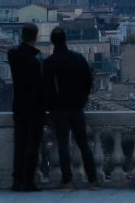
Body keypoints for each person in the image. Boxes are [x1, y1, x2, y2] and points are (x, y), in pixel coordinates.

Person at [42, 28, 99, 189]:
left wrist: (50, 105)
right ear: (66, 39)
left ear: (52, 41)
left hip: (59, 109)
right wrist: (83, 99)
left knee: (62, 144)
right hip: (77, 107)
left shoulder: (49, 62)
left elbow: (46, 88)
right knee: (83, 144)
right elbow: (89, 82)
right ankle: (93, 180)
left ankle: (67, 181)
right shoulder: (79, 59)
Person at [8, 24, 47, 192]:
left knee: (20, 144)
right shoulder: (34, 60)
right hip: (35, 107)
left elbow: (13, 51)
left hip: (19, 105)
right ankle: (28, 181)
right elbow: (40, 86)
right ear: (36, 37)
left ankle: (17, 180)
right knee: (32, 145)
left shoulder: (14, 56)